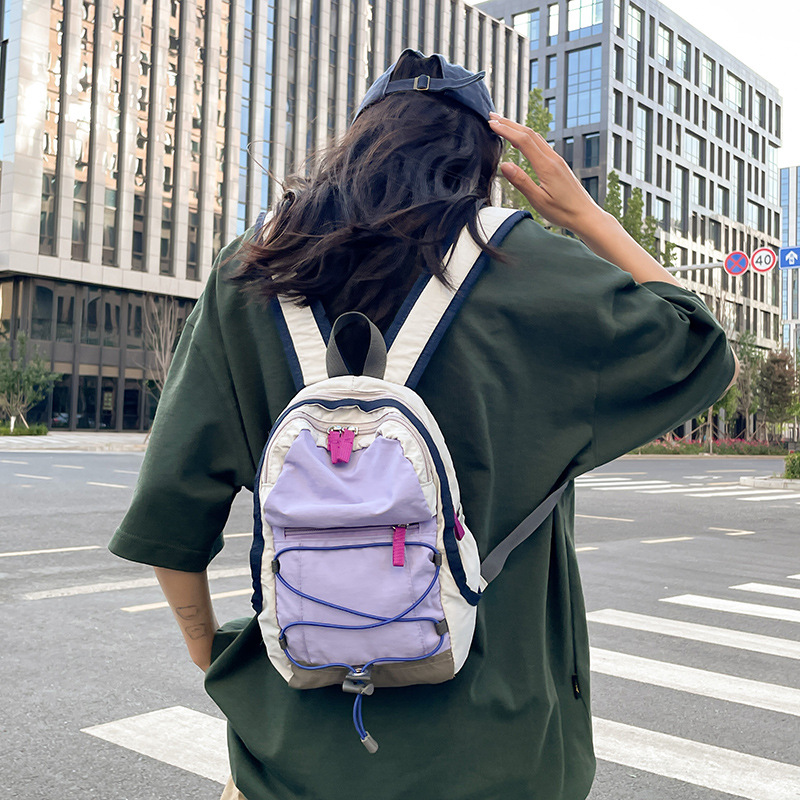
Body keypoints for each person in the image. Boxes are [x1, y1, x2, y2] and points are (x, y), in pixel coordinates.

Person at [110, 50, 738, 800]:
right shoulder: (526, 266)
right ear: (485, 164)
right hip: (497, 746)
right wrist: (585, 217)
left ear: (356, 145)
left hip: (294, 750)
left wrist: (209, 652)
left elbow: (171, 511)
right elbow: (698, 348)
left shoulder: (254, 268)